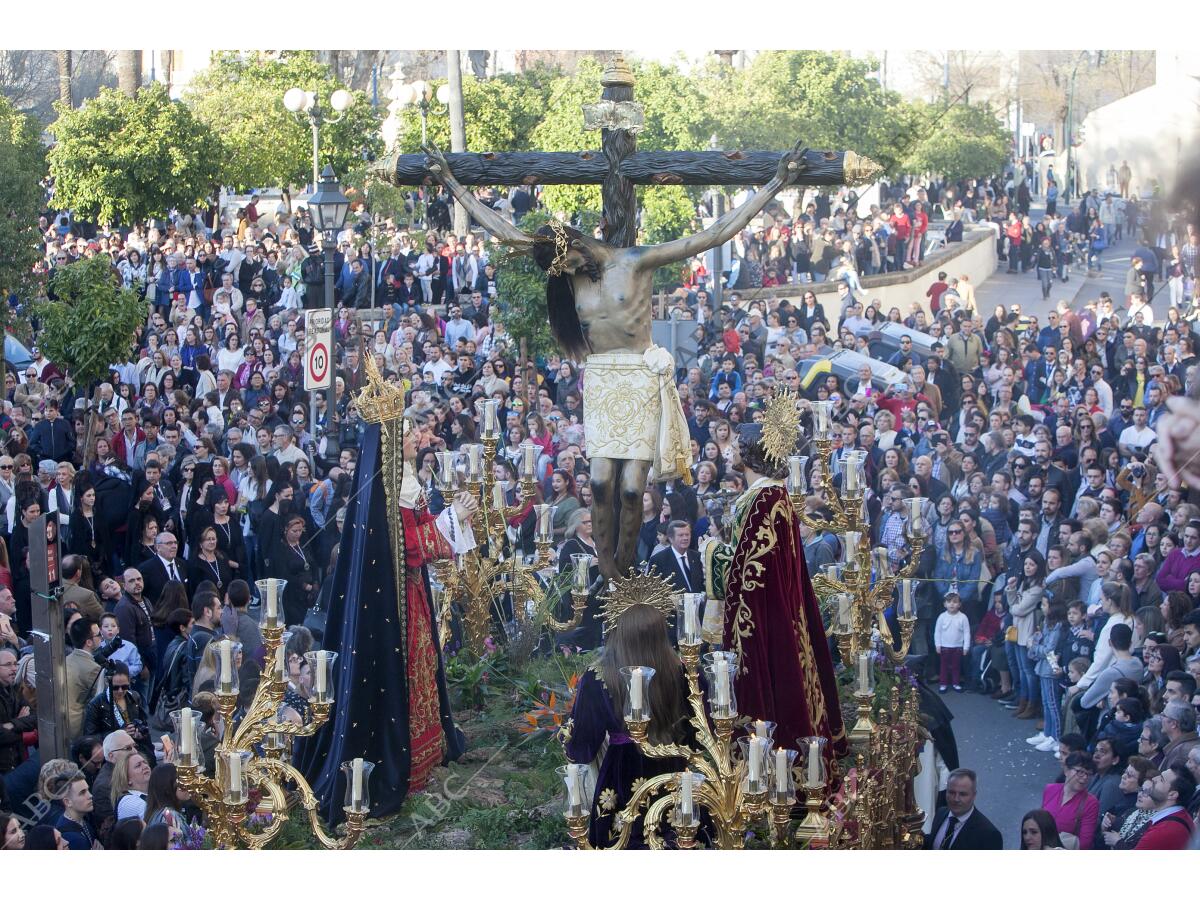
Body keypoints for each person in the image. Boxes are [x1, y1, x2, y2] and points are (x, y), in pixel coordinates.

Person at [299, 361, 478, 826]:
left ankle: (431, 745)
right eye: (406, 433)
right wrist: (452, 518)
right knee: (407, 668)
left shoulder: (407, 481)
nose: (415, 438)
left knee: (423, 664)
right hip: (389, 604)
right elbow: (409, 546)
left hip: (413, 594)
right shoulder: (380, 488)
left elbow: (420, 537)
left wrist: (454, 520)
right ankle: (406, 763)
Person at [700, 409, 845, 755]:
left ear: (750, 451)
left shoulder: (765, 498)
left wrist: (710, 552)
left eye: (736, 444)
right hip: (774, 610)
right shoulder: (768, 495)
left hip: (763, 617)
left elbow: (751, 567)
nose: (731, 450)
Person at [562, 603, 692, 848]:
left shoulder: (597, 676)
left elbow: (581, 747)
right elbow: (697, 733)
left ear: (617, 631)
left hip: (620, 774)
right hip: (673, 768)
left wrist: (567, 733)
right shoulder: (681, 671)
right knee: (678, 835)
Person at [925, 768, 1003, 849]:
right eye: (952, 792)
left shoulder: (989, 835)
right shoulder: (940, 813)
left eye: (963, 794)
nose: (956, 799)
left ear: (974, 795)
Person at [1041, 750, 1101, 849]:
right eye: (1080, 772)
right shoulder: (1050, 789)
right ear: (1066, 770)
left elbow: (1085, 843)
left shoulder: (1091, 803)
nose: (1085, 777)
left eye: (1089, 774)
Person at [1132, 764, 1197, 849]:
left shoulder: (1165, 830)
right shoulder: (1179, 817)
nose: (1154, 779)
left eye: (1161, 780)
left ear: (1172, 794)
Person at [934, 591, 971, 693]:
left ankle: (956, 683)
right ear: (945, 604)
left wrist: (966, 647)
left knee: (956, 666)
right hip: (944, 646)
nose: (952, 604)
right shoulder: (942, 617)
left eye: (955, 602)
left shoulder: (963, 617)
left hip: (957, 647)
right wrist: (938, 644)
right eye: (949, 602)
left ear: (959, 604)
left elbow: (967, 633)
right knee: (944, 666)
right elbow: (937, 631)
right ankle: (943, 684)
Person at [54, 770, 100, 850]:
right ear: (67, 802)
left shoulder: (82, 821)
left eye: (88, 790)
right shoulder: (71, 839)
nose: (90, 795)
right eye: (82, 792)